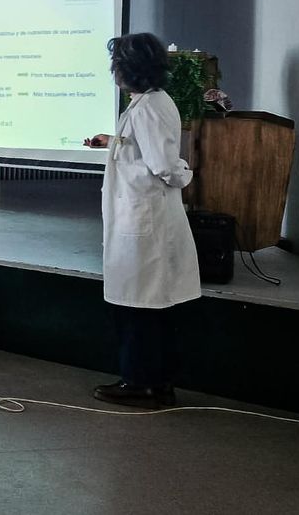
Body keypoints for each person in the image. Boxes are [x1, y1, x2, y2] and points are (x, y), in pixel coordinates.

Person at [84, 33, 200, 408]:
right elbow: (145, 147)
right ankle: (154, 381)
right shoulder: (147, 103)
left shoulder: (149, 107)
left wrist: (186, 175)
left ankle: (141, 382)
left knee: (138, 308)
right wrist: (115, 141)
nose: (114, 71)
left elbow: (165, 165)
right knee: (144, 305)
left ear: (130, 69)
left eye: (117, 64)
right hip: (142, 219)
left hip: (145, 222)